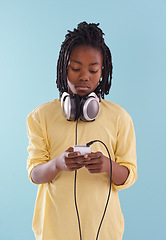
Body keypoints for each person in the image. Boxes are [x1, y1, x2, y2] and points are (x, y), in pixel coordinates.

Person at [27, 22, 137, 240]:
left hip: (104, 231)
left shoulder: (119, 118)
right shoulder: (40, 116)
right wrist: (57, 164)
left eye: (93, 70)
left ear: (103, 71)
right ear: (62, 67)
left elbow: (129, 175)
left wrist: (108, 165)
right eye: (76, 68)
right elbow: (34, 174)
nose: (84, 76)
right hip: (54, 232)